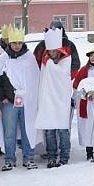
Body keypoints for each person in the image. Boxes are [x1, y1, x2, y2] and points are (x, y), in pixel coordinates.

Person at [0, 27, 40, 171]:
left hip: (27, 101)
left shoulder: (29, 58)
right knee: (9, 132)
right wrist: (2, 97)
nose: (17, 45)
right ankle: (9, 159)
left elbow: (35, 79)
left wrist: (31, 96)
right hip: (9, 102)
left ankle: (28, 158)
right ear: (9, 43)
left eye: (19, 42)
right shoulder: (2, 58)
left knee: (27, 129)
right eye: (14, 43)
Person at [34, 28, 75, 167]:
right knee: (50, 130)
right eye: (49, 51)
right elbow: (43, 79)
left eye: (53, 51)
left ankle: (64, 156)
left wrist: (49, 63)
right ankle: (51, 156)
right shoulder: (45, 62)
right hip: (48, 99)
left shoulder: (66, 59)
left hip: (61, 99)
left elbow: (62, 75)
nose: (51, 54)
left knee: (63, 130)